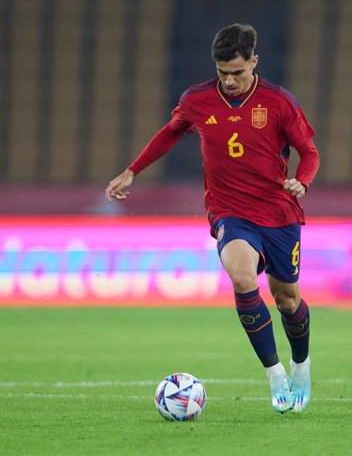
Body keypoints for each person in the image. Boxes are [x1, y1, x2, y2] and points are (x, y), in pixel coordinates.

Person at [105, 23, 319, 414]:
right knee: (241, 278)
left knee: (288, 300)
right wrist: (132, 170)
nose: (230, 81)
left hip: (278, 212)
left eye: (238, 72)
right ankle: (274, 376)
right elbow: (169, 133)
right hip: (230, 211)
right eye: (223, 73)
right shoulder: (198, 100)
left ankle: (300, 365)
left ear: (254, 62)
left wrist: (302, 181)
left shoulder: (279, 102)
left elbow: (309, 151)